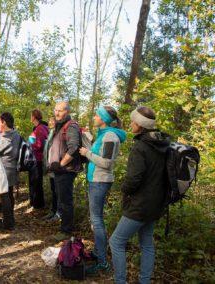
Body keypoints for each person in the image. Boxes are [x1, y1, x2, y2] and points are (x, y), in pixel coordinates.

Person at [109, 106, 170, 284]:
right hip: (156, 204)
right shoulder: (162, 144)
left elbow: (134, 179)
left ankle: (120, 281)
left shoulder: (141, 147)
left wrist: (124, 190)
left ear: (140, 125)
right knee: (147, 244)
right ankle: (145, 281)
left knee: (116, 242)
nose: (131, 123)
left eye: (133, 121)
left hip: (140, 205)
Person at [79, 106, 126, 274]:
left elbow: (107, 163)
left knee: (97, 221)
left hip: (100, 181)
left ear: (104, 119)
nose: (94, 117)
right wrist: (88, 141)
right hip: (95, 180)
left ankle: (102, 262)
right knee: (95, 220)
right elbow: (101, 154)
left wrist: (86, 153)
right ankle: (99, 253)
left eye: (97, 115)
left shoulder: (111, 137)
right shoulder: (103, 135)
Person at [47, 101, 82, 241]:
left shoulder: (71, 126)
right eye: (55, 110)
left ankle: (66, 231)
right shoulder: (60, 125)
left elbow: (74, 147)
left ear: (67, 111)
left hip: (66, 171)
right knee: (61, 200)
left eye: (60, 111)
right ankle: (64, 227)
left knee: (65, 201)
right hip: (60, 171)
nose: (57, 113)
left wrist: (61, 164)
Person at [0, 112, 22, 231]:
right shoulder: (17, 135)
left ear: (4, 122)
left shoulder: (2, 137)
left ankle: (8, 224)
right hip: (13, 169)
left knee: (4, 197)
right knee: (9, 195)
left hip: (3, 170)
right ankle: (10, 220)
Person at [29, 109, 49, 209]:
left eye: (31, 116)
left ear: (34, 117)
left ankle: (38, 205)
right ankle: (36, 203)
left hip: (38, 159)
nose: (30, 117)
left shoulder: (40, 128)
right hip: (38, 158)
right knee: (36, 182)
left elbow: (39, 145)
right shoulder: (41, 127)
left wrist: (31, 144)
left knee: (37, 182)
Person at [43, 116, 60, 221]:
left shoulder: (57, 133)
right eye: (49, 120)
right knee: (53, 190)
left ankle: (58, 213)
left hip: (56, 167)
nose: (50, 122)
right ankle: (53, 211)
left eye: (52, 120)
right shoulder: (50, 132)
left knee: (58, 191)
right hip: (50, 166)